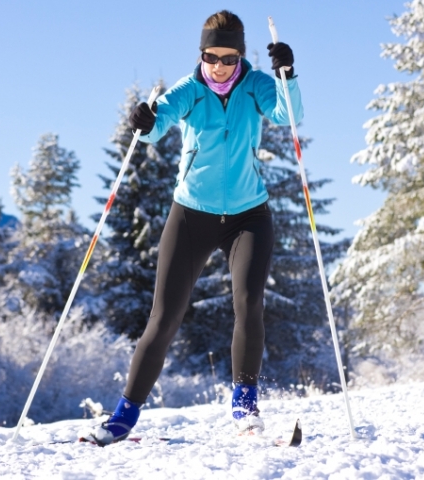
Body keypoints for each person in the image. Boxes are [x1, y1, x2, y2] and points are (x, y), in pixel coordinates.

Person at [92, 10, 303, 445]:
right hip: (192, 214)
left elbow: (288, 115)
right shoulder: (190, 90)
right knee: (164, 317)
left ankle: (244, 404)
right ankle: (123, 416)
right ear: (201, 54)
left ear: (241, 57)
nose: (220, 66)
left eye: (229, 58)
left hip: (249, 215)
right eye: (212, 57)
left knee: (249, 302)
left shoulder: (256, 86)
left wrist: (286, 74)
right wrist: (146, 124)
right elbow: (158, 123)